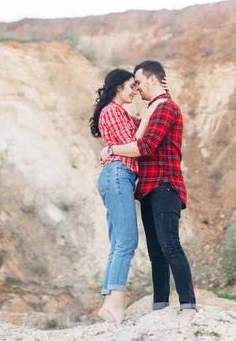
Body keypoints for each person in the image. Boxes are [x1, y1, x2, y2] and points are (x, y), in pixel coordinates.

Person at [99, 60, 197, 322]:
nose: (137, 89)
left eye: (139, 82)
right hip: (148, 188)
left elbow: (147, 145)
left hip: (166, 184)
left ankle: (188, 305)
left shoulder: (165, 107)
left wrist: (110, 150)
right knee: (156, 253)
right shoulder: (156, 108)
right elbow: (145, 121)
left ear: (152, 80)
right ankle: (161, 306)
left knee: (170, 245)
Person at [89, 68, 166, 323]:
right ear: (118, 87)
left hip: (119, 176)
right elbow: (137, 146)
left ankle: (109, 303)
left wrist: (157, 101)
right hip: (118, 175)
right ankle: (115, 306)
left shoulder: (120, 113)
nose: (135, 91)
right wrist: (111, 148)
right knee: (126, 242)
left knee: (119, 243)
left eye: (137, 86)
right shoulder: (111, 111)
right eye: (131, 86)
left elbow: (145, 124)